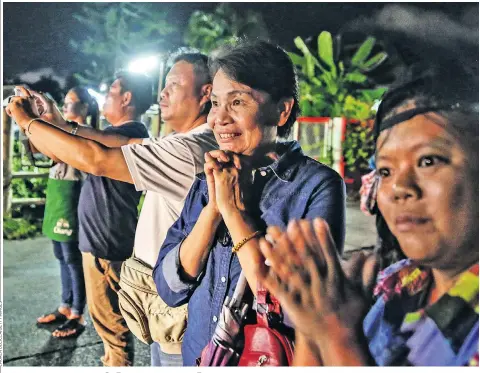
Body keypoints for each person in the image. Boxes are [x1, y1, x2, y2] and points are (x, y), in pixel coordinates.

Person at [255, 61, 479, 366]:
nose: (399, 186)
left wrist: (338, 335)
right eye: (385, 170)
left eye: (428, 161)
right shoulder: (395, 283)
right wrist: (313, 316)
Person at [6, 52, 218, 366]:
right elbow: (110, 143)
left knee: (117, 334)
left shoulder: (191, 149)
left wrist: (27, 122)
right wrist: (59, 124)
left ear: (206, 92)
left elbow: (97, 157)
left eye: (173, 84)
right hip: (165, 298)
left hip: (174, 304)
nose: (162, 93)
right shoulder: (180, 141)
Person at [153, 40, 347, 366]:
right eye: (215, 103)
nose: (219, 118)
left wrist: (233, 210)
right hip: (200, 357)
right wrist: (214, 209)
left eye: (238, 101)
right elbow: (169, 288)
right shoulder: (209, 179)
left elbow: (297, 305)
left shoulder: (316, 187)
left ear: (282, 110)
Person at [7, 71, 152, 366]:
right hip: (99, 240)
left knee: (113, 325)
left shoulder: (131, 131)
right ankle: (112, 359)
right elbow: (57, 147)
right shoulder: (111, 134)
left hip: (108, 243)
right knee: (106, 322)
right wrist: (44, 120)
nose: (105, 96)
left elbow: (90, 147)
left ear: (127, 98)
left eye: (110, 91)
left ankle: (117, 363)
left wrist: (32, 121)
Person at [37, 87, 99, 338]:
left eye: (71, 103)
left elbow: (59, 153)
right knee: (61, 255)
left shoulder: (83, 134)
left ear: (85, 107)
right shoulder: (61, 129)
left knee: (73, 259)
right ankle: (65, 305)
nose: (65, 107)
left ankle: (77, 312)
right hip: (57, 194)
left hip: (73, 194)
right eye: (64, 102)